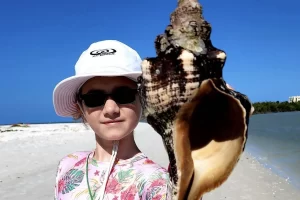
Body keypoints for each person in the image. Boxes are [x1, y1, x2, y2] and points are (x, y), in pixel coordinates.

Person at [52, 40, 172, 200]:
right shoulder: (67, 165)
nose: (111, 109)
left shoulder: (159, 183)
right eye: (94, 98)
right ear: (80, 107)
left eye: (124, 95)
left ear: (143, 99)